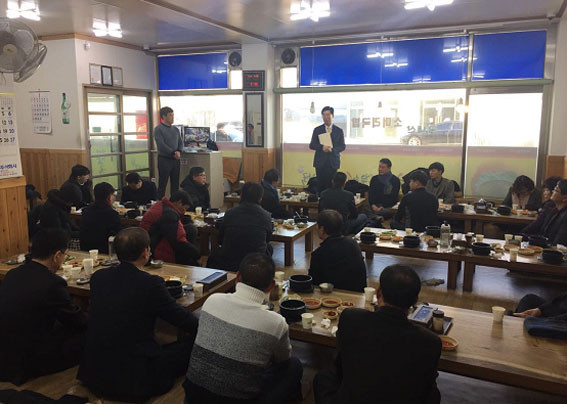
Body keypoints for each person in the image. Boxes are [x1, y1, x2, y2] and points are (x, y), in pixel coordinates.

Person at [78, 227, 198, 401]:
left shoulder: (99, 277)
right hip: (134, 378)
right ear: (145, 252)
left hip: (95, 372)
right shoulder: (150, 284)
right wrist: (205, 329)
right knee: (191, 343)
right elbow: (180, 318)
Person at [313, 265, 441, 404]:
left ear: (379, 293)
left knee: (323, 378)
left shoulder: (351, 318)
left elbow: (341, 362)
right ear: (415, 301)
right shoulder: (430, 341)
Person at [184, 253, 303, 404]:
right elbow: (283, 360)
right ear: (271, 286)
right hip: (238, 400)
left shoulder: (212, 300)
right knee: (294, 365)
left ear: (238, 277)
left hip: (193, 396)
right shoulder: (276, 323)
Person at [0, 229, 87, 385]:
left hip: (5, 353)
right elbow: (76, 322)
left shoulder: (13, 274)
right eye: (64, 255)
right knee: (88, 337)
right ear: (57, 256)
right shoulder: (53, 283)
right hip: (30, 359)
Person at [207, 182, 273, 272]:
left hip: (228, 260)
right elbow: (267, 239)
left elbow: (220, 239)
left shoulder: (229, 213)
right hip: (254, 263)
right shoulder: (266, 216)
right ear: (260, 198)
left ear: (241, 195)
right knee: (269, 248)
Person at [309, 210, 367, 292]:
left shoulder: (319, 254)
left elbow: (313, 284)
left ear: (322, 229)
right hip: (360, 294)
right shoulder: (353, 243)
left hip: (336, 295)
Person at [140, 190, 200, 265]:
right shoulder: (169, 214)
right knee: (192, 261)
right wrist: (197, 254)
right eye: (185, 208)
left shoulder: (161, 205)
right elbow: (178, 241)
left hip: (150, 241)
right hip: (154, 249)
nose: (184, 212)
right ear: (179, 202)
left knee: (190, 229)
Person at [309, 106, 346, 194]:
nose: (326, 117)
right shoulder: (317, 130)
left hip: (333, 162)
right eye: (324, 115)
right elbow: (312, 145)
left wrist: (332, 149)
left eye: (328, 115)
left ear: (332, 115)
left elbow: (342, 146)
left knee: (332, 185)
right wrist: (322, 147)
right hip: (320, 162)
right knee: (320, 185)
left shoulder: (338, 130)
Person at [520, 179, 567, 246]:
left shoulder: (564, 216)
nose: (552, 191)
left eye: (556, 190)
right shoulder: (553, 210)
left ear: (565, 198)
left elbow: (559, 244)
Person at [80, 182, 122, 253]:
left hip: (85, 249)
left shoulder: (86, 211)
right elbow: (118, 235)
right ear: (109, 197)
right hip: (105, 251)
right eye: (113, 195)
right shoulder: (112, 214)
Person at [155, 106, 183, 199]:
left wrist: (179, 151)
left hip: (176, 160)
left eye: (173, 115)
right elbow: (161, 144)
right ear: (164, 116)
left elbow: (180, 142)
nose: (172, 117)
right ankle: (160, 203)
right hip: (164, 159)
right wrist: (173, 152)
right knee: (162, 184)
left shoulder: (175, 129)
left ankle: (174, 203)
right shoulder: (158, 129)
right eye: (170, 115)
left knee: (175, 184)